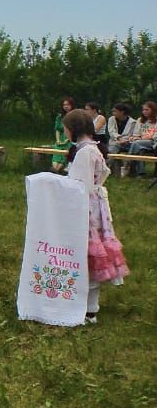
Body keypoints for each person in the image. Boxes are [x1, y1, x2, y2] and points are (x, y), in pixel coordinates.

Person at [63, 108, 129, 323]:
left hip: (86, 210)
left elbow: (80, 186)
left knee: (88, 256)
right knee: (91, 256)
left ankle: (88, 308)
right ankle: (89, 306)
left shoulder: (84, 152)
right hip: (95, 207)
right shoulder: (92, 149)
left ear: (73, 129)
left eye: (65, 128)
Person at [116, 100, 157, 175]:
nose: (144, 111)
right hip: (140, 142)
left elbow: (155, 136)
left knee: (137, 144)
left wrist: (141, 139)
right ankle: (140, 173)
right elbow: (136, 133)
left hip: (152, 142)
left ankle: (127, 164)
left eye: (147, 109)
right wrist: (133, 138)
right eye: (143, 110)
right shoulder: (140, 120)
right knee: (137, 148)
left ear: (153, 110)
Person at [51, 97, 75, 172]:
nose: (66, 106)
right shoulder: (60, 116)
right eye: (64, 105)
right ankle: (55, 169)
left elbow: (75, 130)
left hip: (71, 139)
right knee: (57, 150)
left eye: (68, 104)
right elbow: (57, 129)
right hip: (61, 138)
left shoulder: (75, 116)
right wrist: (58, 140)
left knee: (66, 151)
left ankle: (56, 170)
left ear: (72, 105)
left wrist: (67, 139)